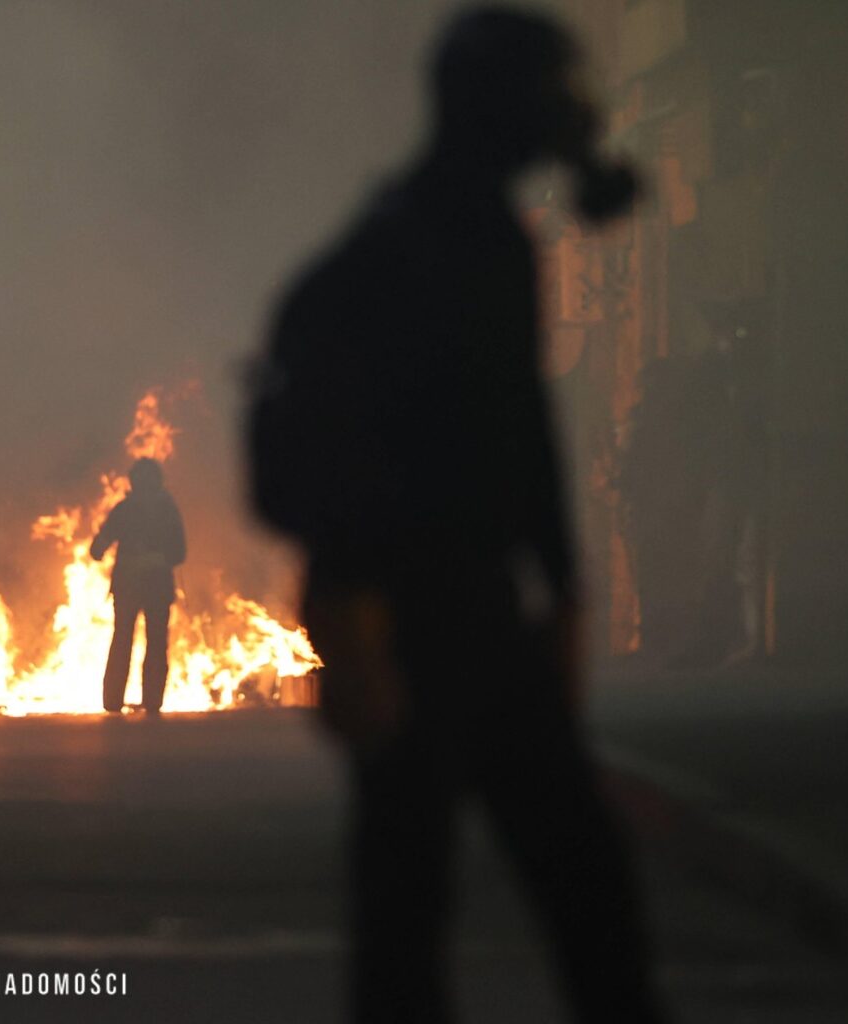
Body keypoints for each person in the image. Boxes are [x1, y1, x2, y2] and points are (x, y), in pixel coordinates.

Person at [249, 7, 665, 1022]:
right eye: (550, 97)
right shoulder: (427, 250)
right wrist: (354, 621)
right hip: (424, 616)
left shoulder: (473, 235)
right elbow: (465, 442)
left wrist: (560, 594)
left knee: (463, 893)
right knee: (503, 895)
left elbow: (523, 438)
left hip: (470, 613)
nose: (566, 119)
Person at [89, 457, 186, 714]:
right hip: (148, 588)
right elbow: (179, 552)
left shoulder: (129, 509)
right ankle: (148, 701)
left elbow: (98, 547)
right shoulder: (163, 509)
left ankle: (116, 701)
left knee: (127, 641)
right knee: (148, 642)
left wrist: (105, 548)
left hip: (137, 587)